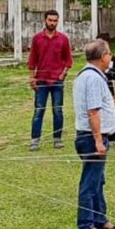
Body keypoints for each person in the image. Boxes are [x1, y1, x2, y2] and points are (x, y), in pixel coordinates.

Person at [72, 39, 115, 229]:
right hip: (91, 138)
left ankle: (100, 219)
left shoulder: (91, 75)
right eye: (109, 53)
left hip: (92, 136)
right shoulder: (92, 78)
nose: (111, 57)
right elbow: (93, 111)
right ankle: (86, 226)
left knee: (98, 180)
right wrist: (98, 141)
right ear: (102, 56)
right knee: (90, 182)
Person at [28, 10, 73, 151]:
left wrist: (63, 74)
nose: (52, 23)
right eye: (50, 20)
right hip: (41, 80)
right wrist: (32, 77)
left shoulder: (63, 39)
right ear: (45, 20)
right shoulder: (37, 38)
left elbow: (68, 60)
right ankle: (35, 140)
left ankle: (57, 139)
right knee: (38, 111)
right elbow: (32, 59)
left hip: (57, 81)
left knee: (58, 110)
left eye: (55, 21)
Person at [98, 33, 115, 144]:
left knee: (111, 111)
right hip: (97, 88)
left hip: (108, 89)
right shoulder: (95, 59)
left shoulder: (112, 59)